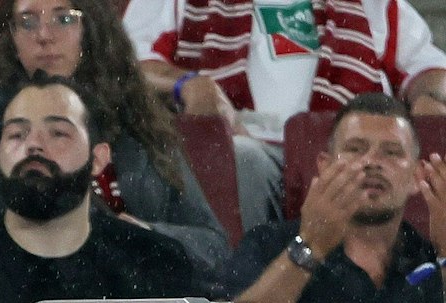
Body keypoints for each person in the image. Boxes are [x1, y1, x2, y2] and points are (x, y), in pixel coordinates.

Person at [125, 0, 446, 233]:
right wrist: (187, 82)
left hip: (339, 152)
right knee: (245, 159)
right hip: (234, 146)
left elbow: (429, 66)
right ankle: (246, 287)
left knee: (378, 162)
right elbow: (126, 63)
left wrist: (426, 95)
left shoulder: (374, 5)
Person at [0, 0, 228, 283]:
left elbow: (214, 245)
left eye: (64, 20)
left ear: (92, 30)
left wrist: (146, 234)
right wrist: (107, 235)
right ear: (11, 38)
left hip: (148, 293)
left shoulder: (136, 115)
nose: (43, 35)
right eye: (27, 22)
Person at [0, 75, 202, 303]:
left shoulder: (154, 264)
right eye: (17, 134)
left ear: (98, 159)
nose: (34, 144)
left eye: (58, 133)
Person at [223, 93, 446, 303]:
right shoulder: (268, 243)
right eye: (355, 149)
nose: (372, 162)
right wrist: (310, 248)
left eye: (391, 152)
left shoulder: (433, 259)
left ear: (418, 175)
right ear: (325, 166)